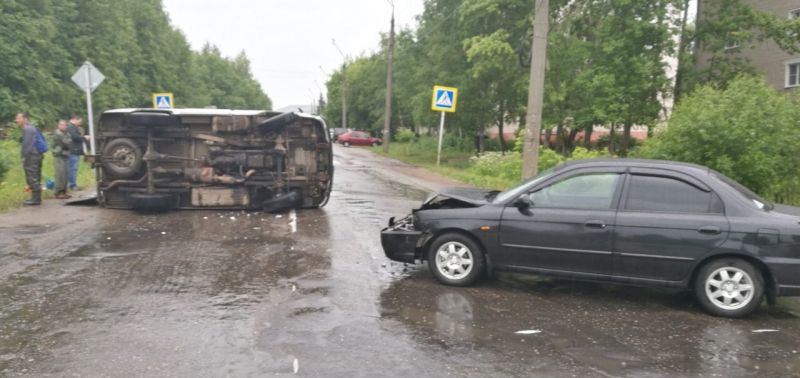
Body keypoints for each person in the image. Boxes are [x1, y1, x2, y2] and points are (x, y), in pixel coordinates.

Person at [15, 112, 42, 206]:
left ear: (24, 119)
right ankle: (36, 198)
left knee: (32, 176)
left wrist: (24, 156)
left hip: (31, 156)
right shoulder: (31, 127)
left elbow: (27, 144)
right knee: (35, 175)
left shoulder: (27, 129)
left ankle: (36, 200)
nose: (16, 120)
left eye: (18, 118)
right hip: (35, 155)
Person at [52, 119, 72, 199]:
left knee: (65, 174)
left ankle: (63, 191)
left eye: (65, 125)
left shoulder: (66, 133)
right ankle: (58, 192)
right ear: (58, 125)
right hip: (59, 155)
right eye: (61, 125)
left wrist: (68, 141)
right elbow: (65, 143)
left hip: (65, 155)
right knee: (60, 174)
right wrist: (68, 141)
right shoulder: (57, 133)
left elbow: (70, 142)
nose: (63, 126)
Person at [66, 115, 84, 191]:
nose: (79, 124)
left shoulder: (72, 127)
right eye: (79, 122)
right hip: (73, 150)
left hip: (75, 150)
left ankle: (72, 184)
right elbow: (74, 137)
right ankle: (72, 185)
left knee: (73, 168)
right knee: (73, 168)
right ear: (75, 120)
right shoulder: (71, 127)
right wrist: (83, 137)